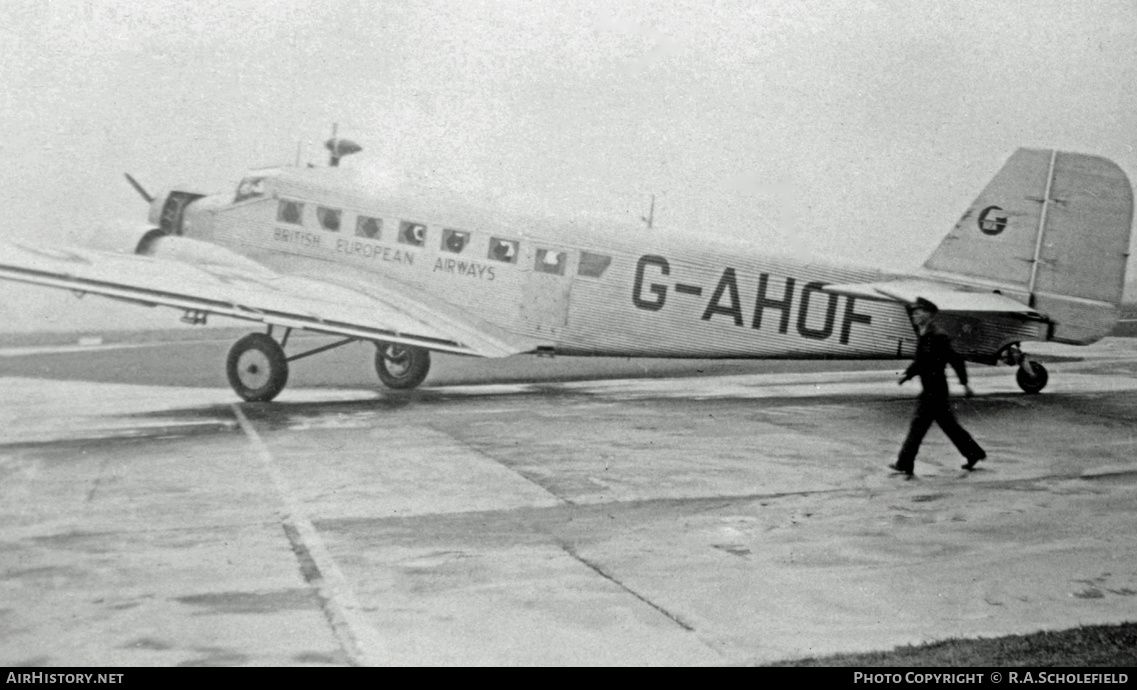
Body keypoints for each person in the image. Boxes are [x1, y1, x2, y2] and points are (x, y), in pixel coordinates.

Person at [890, 297, 986, 477]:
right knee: (949, 426)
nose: (914, 316)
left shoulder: (938, 336)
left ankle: (904, 463)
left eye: (918, 313)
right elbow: (921, 362)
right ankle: (973, 454)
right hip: (932, 390)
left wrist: (964, 384)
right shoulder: (925, 334)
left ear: (929, 315)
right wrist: (907, 375)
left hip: (935, 391)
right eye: (913, 313)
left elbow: (955, 360)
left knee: (918, 428)